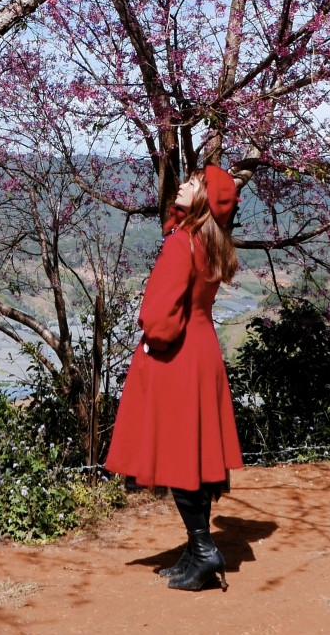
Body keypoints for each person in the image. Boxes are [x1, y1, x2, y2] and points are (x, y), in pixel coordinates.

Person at [104, 164, 243, 592]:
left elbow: (161, 319)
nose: (183, 184)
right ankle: (195, 550)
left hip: (177, 358)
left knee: (180, 457)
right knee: (195, 458)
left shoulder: (180, 244)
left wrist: (150, 344)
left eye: (194, 182)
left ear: (203, 200)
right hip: (203, 353)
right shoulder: (209, 243)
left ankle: (203, 552)